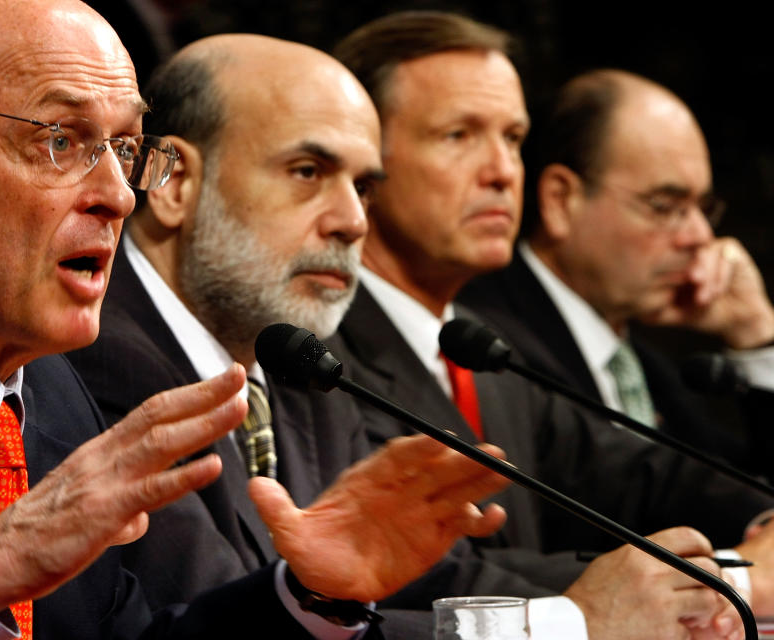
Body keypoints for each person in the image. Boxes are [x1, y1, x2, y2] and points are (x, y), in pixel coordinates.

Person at [0, 1, 519, 638]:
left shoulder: (53, 396)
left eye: (124, 150)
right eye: (60, 140)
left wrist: (310, 597)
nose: (118, 197)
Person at [66, 30, 741, 640]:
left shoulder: (302, 372)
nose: (353, 221)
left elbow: (415, 581)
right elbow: (216, 614)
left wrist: (683, 588)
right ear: (176, 181)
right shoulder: (92, 362)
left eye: (364, 186)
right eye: (309, 173)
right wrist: (571, 622)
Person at [332, 10, 774, 637]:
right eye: (459, 135)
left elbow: (649, 476)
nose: (503, 171)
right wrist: (731, 581)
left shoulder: (486, 348)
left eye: (513, 138)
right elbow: (433, 573)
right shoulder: (318, 351)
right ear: (361, 164)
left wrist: (764, 521)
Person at [457, 68, 774, 473]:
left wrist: (756, 334)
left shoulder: (653, 372)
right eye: (664, 206)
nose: (699, 235)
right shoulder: (491, 349)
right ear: (561, 200)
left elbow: (741, 495)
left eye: (703, 208)